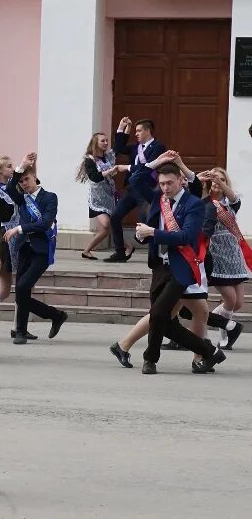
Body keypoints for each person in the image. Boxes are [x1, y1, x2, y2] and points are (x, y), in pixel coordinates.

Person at [132, 161, 226, 374]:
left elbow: (186, 236)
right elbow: (135, 180)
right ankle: (209, 351)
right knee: (160, 317)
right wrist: (153, 163)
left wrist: (152, 233)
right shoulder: (159, 198)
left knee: (157, 313)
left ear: (181, 181)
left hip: (181, 267)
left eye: (169, 183)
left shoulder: (194, 204)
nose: (165, 188)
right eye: (162, 184)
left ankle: (150, 359)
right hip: (159, 266)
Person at [3, 154, 68, 345]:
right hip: (24, 248)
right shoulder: (22, 199)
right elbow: (8, 188)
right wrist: (21, 167)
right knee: (22, 291)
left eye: (26, 179)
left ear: (35, 178)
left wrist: (19, 228)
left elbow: (45, 223)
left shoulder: (49, 197)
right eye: (21, 180)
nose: (23, 183)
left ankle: (55, 315)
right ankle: (23, 330)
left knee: (23, 287)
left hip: (41, 250)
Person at [0, 156, 39, 341]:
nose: (12, 168)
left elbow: (31, 180)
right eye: (8, 166)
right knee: (3, 289)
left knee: (23, 286)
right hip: (4, 241)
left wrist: (31, 164)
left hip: (19, 239)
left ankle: (18, 326)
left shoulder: (12, 187)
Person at [198, 167, 249, 350]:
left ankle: (209, 319)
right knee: (230, 300)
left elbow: (234, 198)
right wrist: (203, 182)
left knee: (238, 303)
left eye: (221, 180)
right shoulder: (205, 203)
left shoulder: (230, 203)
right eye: (214, 180)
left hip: (234, 256)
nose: (217, 182)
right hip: (217, 256)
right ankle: (224, 333)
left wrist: (220, 182)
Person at [105, 117, 166, 263]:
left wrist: (127, 167)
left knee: (148, 220)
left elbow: (149, 166)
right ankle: (120, 251)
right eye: (135, 131)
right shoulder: (135, 148)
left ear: (147, 131)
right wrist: (121, 128)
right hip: (132, 189)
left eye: (139, 131)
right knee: (115, 216)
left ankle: (153, 255)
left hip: (146, 189)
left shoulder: (158, 147)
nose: (136, 134)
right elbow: (118, 148)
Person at [76, 132, 127, 260]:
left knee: (111, 225)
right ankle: (87, 250)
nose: (105, 143)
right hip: (97, 199)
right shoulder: (90, 160)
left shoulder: (108, 156)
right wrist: (109, 171)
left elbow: (119, 146)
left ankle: (87, 251)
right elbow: (95, 177)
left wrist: (123, 128)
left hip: (109, 196)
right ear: (95, 143)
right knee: (106, 225)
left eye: (106, 141)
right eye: (102, 141)